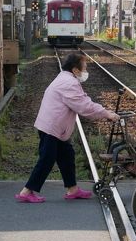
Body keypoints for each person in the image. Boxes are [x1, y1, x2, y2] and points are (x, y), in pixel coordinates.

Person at [16, 51, 119, 203]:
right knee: (47, 160)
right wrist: (106, 113)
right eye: (84, 68)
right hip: (52, 127)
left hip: (54, 127)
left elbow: (82, 101)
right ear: (75, 70)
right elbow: (84, 106)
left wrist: (104, 111)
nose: (85, 72)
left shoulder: (65, 78)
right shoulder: (69, 83)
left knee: (67, 156)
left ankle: (72, 189)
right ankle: (26, 192)